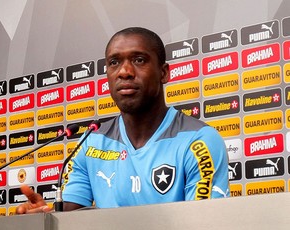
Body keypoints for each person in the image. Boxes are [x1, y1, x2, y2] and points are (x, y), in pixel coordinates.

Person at [16, 27, 230, 214]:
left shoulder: (198, 141)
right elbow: (71, 218)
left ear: (163, 73)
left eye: (139, 60)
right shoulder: (91, 143)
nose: (125, 72)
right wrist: (46, 216)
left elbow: (204, 221)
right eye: (114, 62)